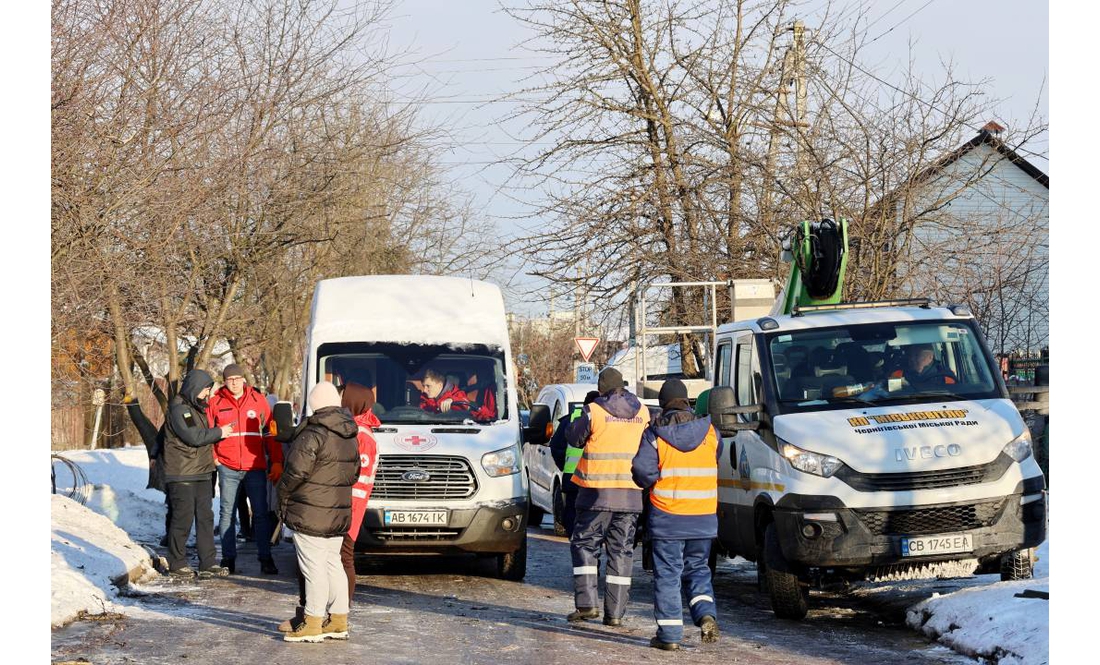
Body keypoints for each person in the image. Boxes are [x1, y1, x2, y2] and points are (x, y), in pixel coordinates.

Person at [631, 379, 722, 651]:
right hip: (703, 517)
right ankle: (705, 613)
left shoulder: (655, 434)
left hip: (668, 517)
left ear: (663, 404)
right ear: (686, 401)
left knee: (668, 574)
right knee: (698, 570)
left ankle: (669, 636)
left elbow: (643, 473)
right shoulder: (710, 432)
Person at [564, 367, 650, 627]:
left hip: (596, 494)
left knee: (585, 545)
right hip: (631, 495)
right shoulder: (643, 411)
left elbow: (573, 438)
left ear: (601, 388)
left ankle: (587, 605)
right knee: (622, 552)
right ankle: (615, 614)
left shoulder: (595, 410)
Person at [277, 381, 360, 643]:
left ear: (315, 405)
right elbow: (355, 473)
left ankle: (312, 622)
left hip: (309, 511)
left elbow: (295, 472)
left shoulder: (313, 433)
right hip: (338, 512)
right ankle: (338, 620)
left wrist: (282, 494)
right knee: (332, 563)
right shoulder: (349, 433)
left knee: (314, 568)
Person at [207, 363, 282, 575]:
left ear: (244, 380)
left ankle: (266, 558)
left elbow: (270, 432)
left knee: (260, 514)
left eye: (238, 379)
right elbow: (208, 433)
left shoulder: (258, 400)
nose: (234, 383)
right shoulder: (215, 402)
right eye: (230, 379)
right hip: (227, 466)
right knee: (226, 514)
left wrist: (276, 460)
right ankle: (228, 559)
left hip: (255, 467)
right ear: (224, 381)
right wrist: (214, 458)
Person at [162, 369, 233, 579]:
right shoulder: (181, 410)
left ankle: (208, 563)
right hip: (182, 473)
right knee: (182, 519)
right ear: (194, 389)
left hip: (202, 471)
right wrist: (220, 432)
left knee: (205, 519)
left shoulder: (195, 409)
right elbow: (193, 436)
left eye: (209, 391)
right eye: (205, 390)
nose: (207, 395)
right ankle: (177, 563)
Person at [122, 392, 172, 545]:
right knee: (172, 505)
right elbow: (159, 440)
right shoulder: (171, 421)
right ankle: (169, 536)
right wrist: (154, 455)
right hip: (173, 469)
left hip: (187, 469)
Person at [550, 390, 600, 537]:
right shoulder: (603, 420)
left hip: (573, 477)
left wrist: (564, 466)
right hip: (594, 479)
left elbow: (556, 447)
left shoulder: (571, 419)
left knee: (573, 517)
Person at [891, 344, 957, 388]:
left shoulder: (946, 376)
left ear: (930, 357)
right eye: (910, 355)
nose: (912, 359)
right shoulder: (898, 374)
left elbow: (953, 397)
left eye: (916, 355)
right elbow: (892, 395)